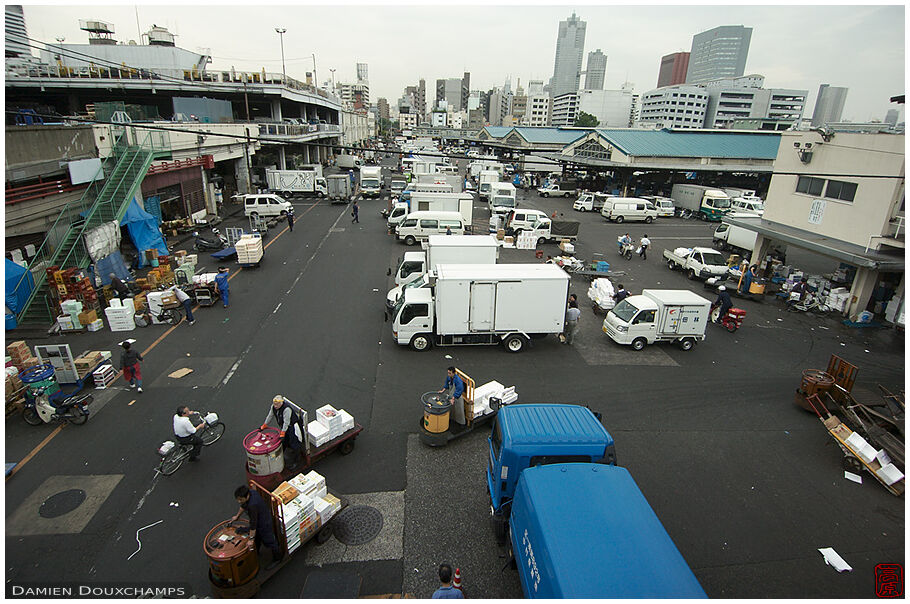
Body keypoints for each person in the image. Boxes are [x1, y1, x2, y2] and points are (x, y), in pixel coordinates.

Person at [232, 485, 283, 570]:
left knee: (270, 541)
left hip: (264, 523)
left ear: (247, 496)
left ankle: (278, 558)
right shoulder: (251, 493)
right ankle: (256, 552)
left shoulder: (252, 505)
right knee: (257, 537)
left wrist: (251, 539)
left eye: (240, 499)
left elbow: (253, 524)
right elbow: (243, 506)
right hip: (259, 520)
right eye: (238, 499)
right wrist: (237, 516)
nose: (239, 501)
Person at [260, 395, 304, 469]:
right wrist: (265, 425)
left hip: (292, 427)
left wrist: (283, 433)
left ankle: (297, 462)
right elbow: (270, 416)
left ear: (281, 403)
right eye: (274, 404)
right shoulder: (273, 407)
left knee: (295, 443)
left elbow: (286, 422)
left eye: (277, 404)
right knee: (285, 441)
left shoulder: (286, 409)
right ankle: (282, 454)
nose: (275, 406)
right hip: (284, 427)